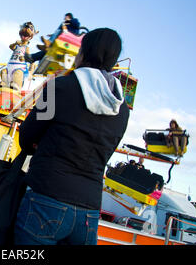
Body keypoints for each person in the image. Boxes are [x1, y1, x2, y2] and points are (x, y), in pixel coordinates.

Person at [14, 28, 129, 245]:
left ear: (84, 52)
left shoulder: (60, 87)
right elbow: (105, 153)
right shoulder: (123, 110)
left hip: (47, 195)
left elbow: (27, 137)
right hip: (89, 211)